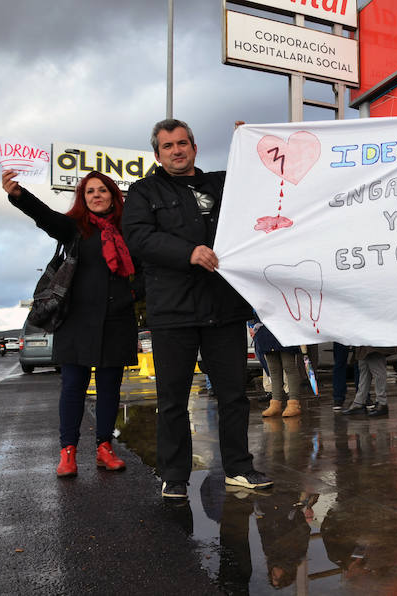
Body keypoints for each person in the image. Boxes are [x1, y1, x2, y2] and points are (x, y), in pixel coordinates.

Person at [123, 118, 272, 498]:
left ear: (194, 146)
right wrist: (187, 252)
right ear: (157, 154)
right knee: (173, 399)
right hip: (173, 312)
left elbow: (263, 182)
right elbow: (138, 237)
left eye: (183, 143)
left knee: (234, 395)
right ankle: (174, 476)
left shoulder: (223, 183)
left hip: (224, 307)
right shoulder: (144, 191)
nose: (177, 150)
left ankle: (239, 468)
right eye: (168, 145)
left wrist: (252, 141)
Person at [2, 169, 136, 477]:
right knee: (73, 387)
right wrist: (19, 195)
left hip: (116, 321)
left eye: (102, 190)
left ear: (113, 196)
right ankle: (68, 453)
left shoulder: (129, 230)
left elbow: (143, 270)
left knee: (109, 389)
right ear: (83, 198)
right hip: (76, 321)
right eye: (90, 191)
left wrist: (132, 293)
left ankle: (105, 448)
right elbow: (46, 217)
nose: (96, 195)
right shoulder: (74, 228)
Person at [251, 313, 303, 418]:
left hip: (284, 326)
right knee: (273, 369)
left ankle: (293, 402)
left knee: (289, 366)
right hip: (264, 329)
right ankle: (275, 402)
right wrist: (251, 325)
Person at [341, 346, 396, 417]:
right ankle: (359, 403)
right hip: (365, 343)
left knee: (377, 370)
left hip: (373, 343)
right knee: (364, 370)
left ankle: (381, 402)